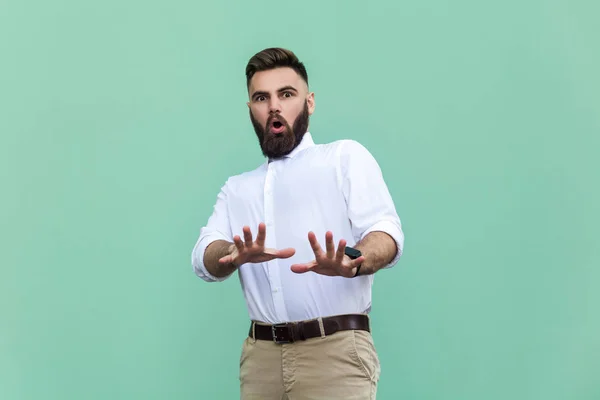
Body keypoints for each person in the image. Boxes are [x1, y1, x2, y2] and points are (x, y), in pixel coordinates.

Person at [191, 47, 404, 400]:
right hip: (261, 359)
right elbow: (202, 258)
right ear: (251, 110)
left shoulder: (343, 157)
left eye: (286, 94)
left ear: (309, 102)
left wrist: (354, 260)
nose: (274, 106)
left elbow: (386, 233)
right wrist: (231, 252)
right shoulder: (237, 188)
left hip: (335, 353)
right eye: (262, 97)